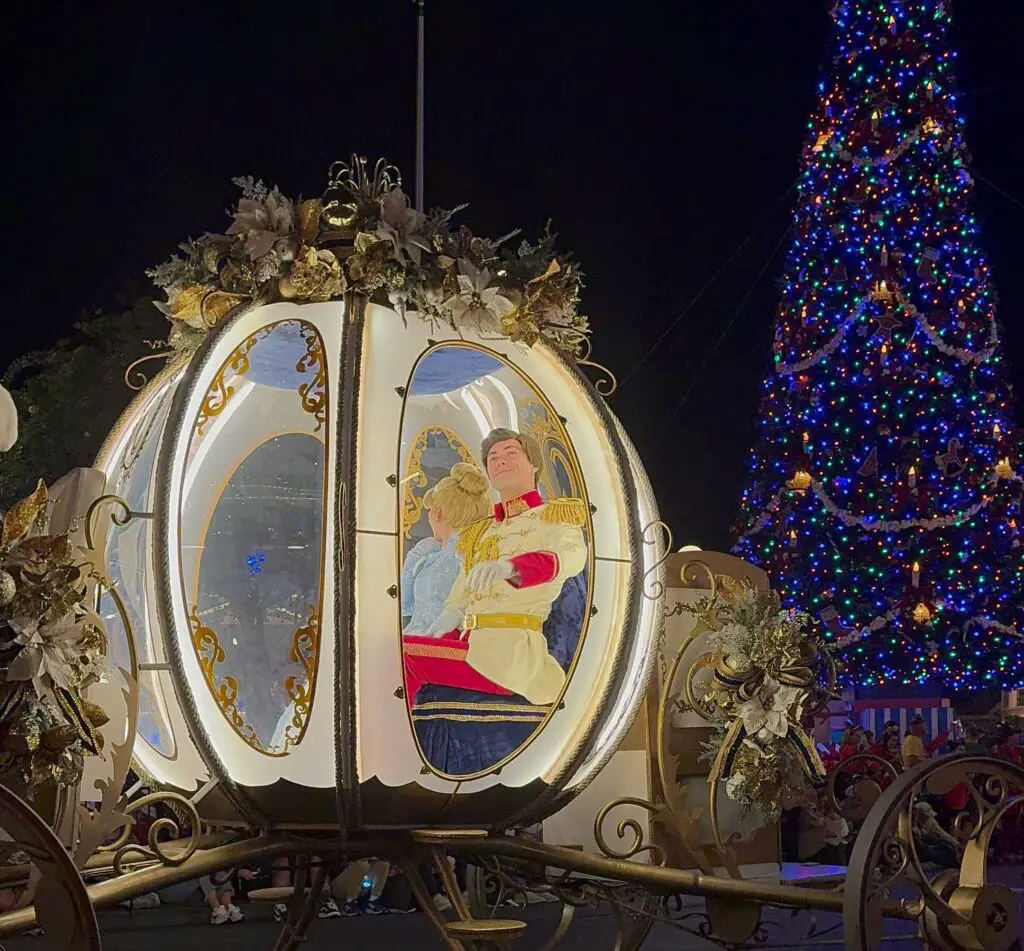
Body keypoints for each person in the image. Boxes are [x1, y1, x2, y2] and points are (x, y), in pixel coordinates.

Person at [402, 428, 587, 708]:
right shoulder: (483, 532)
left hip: (510, 655)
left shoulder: (553, 516)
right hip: (472, 645)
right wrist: (451, 615)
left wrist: (511, 568)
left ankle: (394, 746)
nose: (500, 461)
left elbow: (570, 558)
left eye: (511, 453)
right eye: (492, 458)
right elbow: (461, 593)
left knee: (403, 655)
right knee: (390, 650)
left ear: (533, 464)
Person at [401, 463, 491, 634]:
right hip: (437, 645)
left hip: (432, 647)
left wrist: (415, 554)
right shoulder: (478, 552)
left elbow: (404, 604)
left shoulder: (439, 559)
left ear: (438, 513)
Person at [912, 801, 960, 867]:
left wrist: (956, 844)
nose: (927, 817)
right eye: (926, 815)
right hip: (921, 849)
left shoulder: (931, 821)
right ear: (919, 813)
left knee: (944, 845)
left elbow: (942, 833)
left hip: (929, 845)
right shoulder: (912, 823)